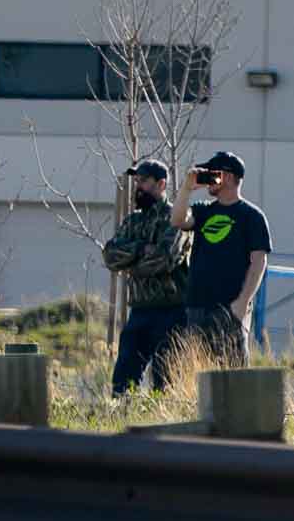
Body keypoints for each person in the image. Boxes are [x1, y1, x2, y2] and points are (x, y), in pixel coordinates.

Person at [170, 151, 272, 367]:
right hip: (197, 305)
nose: (206, 178)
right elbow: (178, 220)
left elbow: (259, 263)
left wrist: (242, 302)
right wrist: (187, 188)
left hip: (230, 308)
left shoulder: (252, 216)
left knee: (233, 374)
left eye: (210, 173)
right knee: (196, 372)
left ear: (225, 176)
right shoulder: (203, 211)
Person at [102, 160, 191, 394]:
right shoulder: (133, 221)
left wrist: (131, 262)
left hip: (172, 312)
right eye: (136, 181)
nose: (137, 186)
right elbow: (110, 256)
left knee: (165, 381)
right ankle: (121, 423)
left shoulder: (178, 216)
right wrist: (142, 248)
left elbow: (164, 259)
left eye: (143, 181)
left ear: (161, 184)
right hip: (140, 310)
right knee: (122, 381)